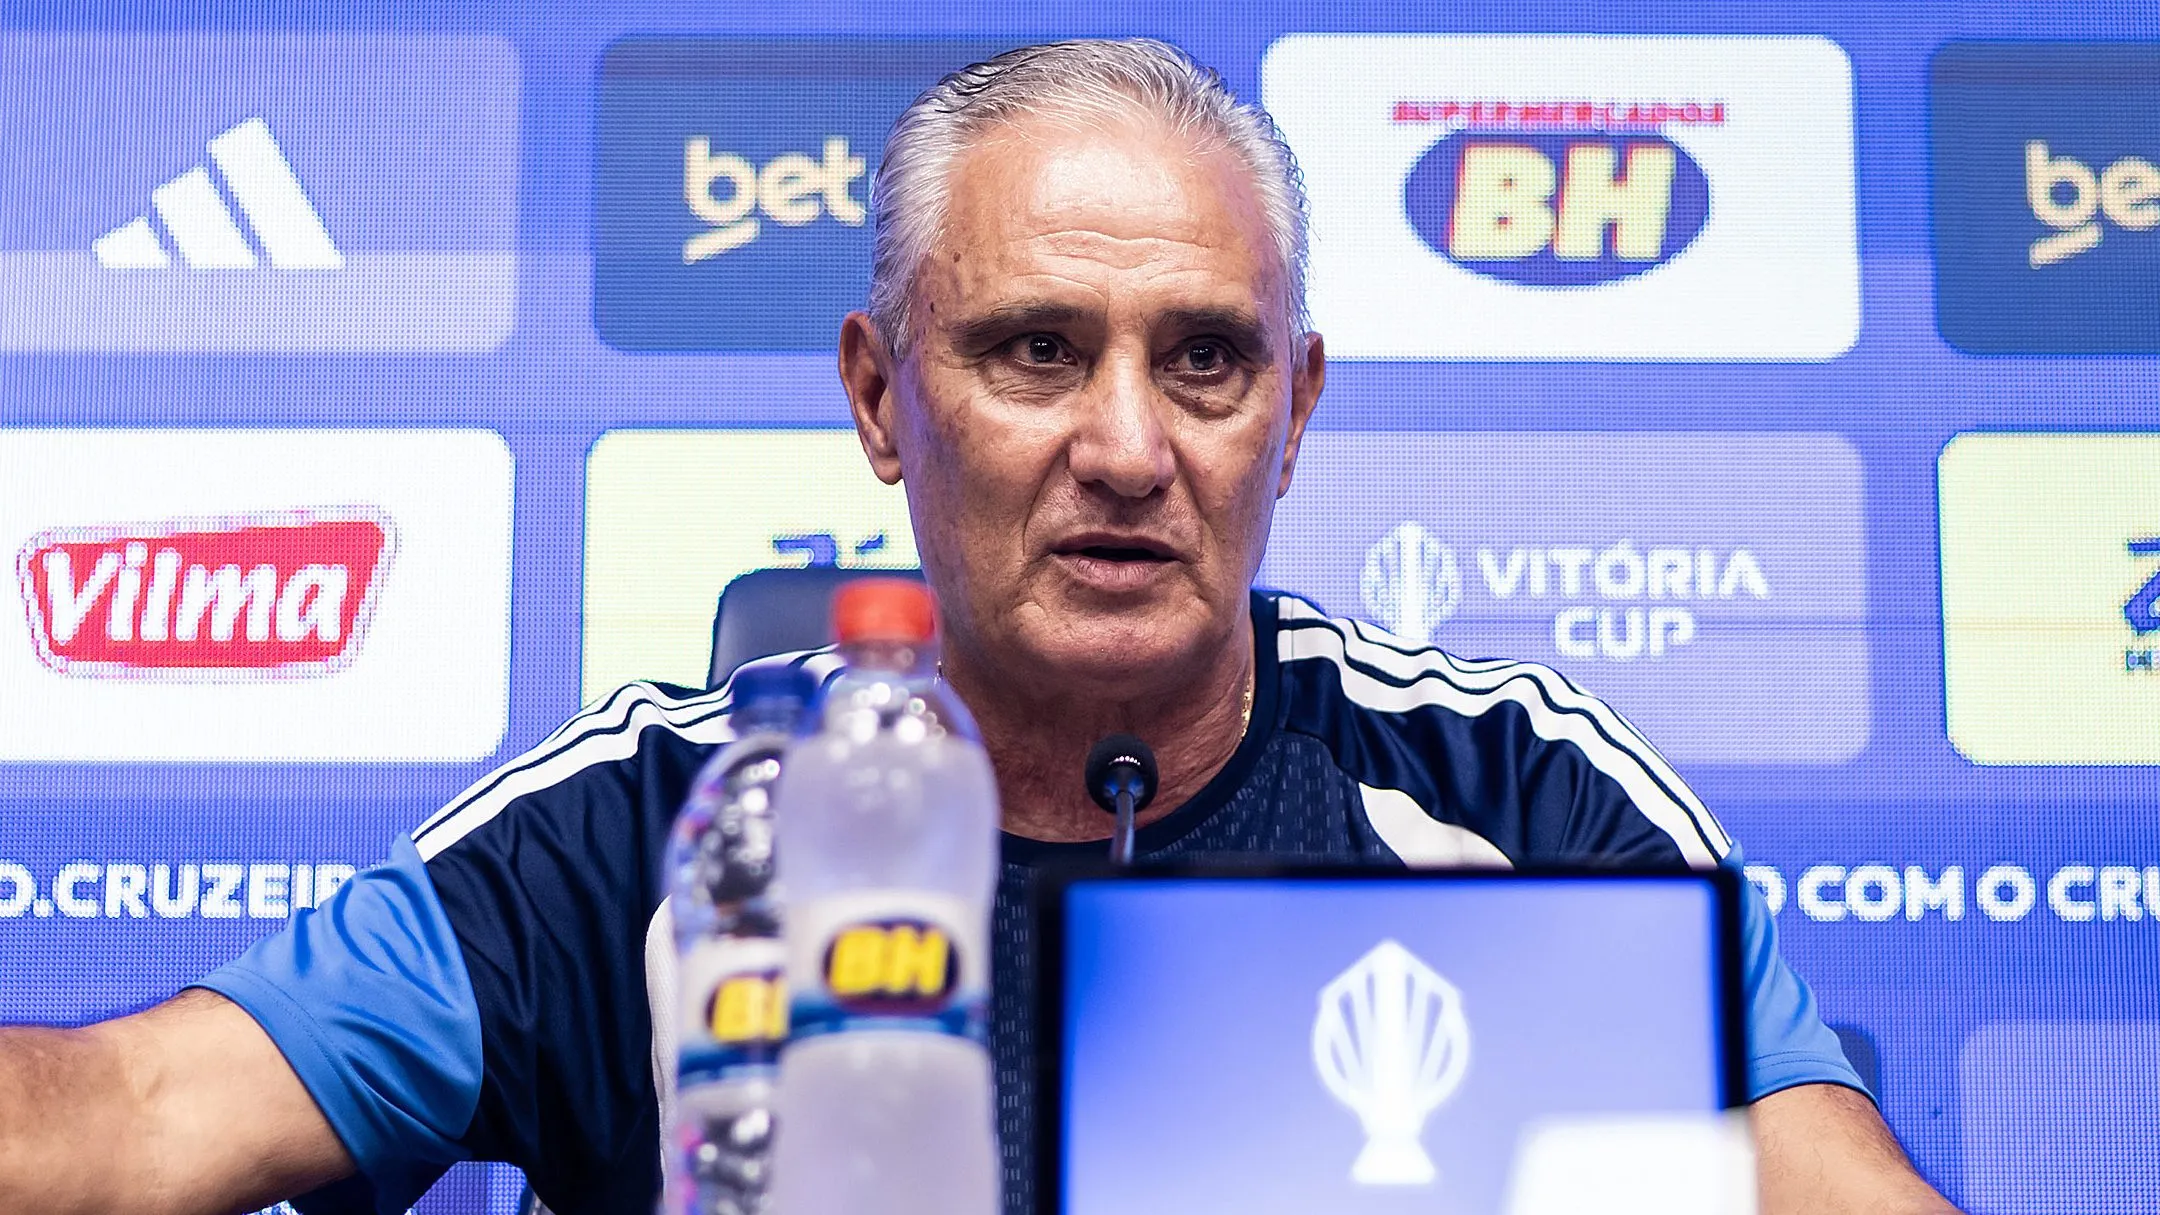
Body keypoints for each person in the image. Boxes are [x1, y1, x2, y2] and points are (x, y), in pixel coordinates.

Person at [0, 38, 1957, 1215]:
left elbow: (1827, 1187)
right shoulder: (642, 826)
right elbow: (136, 1111)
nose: (1127, 445)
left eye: (1206, 361)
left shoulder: (1514, 797)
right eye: (1034, 350)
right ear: (878, 396)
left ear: (1299, 406)